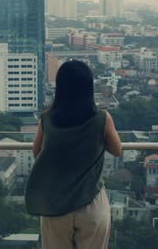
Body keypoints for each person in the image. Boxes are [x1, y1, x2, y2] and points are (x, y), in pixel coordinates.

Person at [25, 60, 122, 249]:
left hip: (55, 203)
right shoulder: (102, 118)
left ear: (61, 88)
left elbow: (37, 152)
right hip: (91, 202)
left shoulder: (47, 119)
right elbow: (117, 150)